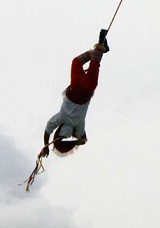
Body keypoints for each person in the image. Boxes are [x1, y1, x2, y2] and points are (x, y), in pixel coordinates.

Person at [41, 30, 110, 158]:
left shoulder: (78, 126)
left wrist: (75, 141)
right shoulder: (60, 118)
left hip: (87, 89)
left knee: (95, 63)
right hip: (75, 86)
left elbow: (83, 141)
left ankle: (100, 49)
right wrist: (45, 145)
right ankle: (97, 50)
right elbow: (47, 130)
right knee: (77, 61)